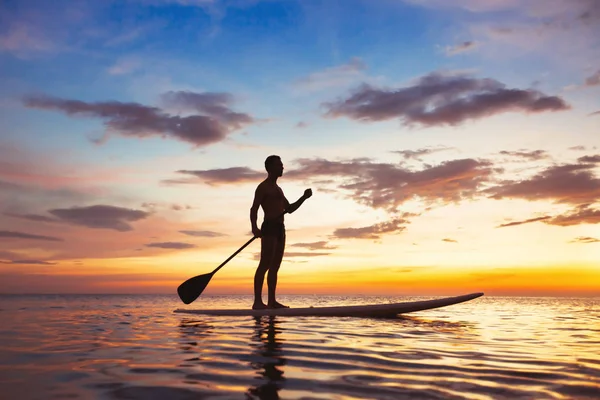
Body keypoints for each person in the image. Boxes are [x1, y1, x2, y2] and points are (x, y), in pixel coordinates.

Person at [250, 155, 312, 310]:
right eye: (279, 165)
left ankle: (272, 301)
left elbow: (289, 209)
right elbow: (254, 208)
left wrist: (304, 198)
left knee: (275, 267)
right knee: (264, 264)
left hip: (280, 229)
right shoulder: (263, 187)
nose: (282, 167)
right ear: (270, 167)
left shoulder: (278, 189)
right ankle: (257, 302)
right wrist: (254, 228)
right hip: (269, 227)